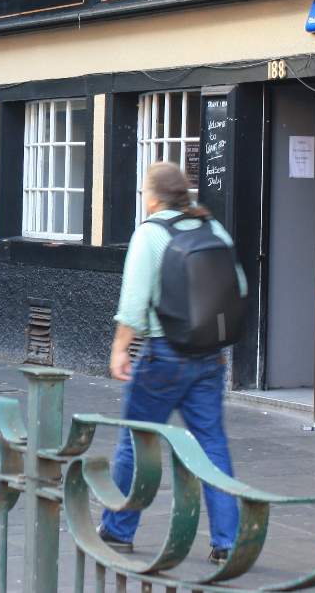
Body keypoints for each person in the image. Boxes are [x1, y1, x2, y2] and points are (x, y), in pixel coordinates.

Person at [99, 162, 243, 566]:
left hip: (163, 356)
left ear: (155, 196)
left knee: (136, 440)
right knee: (212, 444)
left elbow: (134, 300)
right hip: (210, 357)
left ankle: (118, 528)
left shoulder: (151, 234)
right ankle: (227, 542)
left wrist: (120, 348)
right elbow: (241, 288)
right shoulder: (212, 229)